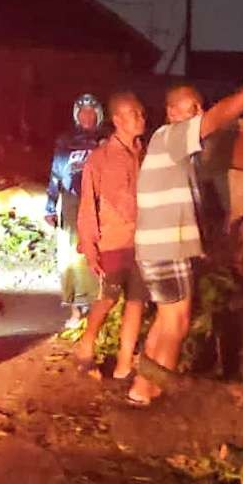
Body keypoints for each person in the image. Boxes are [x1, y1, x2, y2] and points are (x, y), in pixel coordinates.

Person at [127, 57, 243, 406]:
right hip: (164, 250)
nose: (199, 113)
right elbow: (219, 117)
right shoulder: (172, 137)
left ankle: (142, 389)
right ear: (173, 112)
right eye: (192, 109)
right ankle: (163, 399)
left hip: (158, 248)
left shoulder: (174, 148)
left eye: (199, 107)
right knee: (179, 321)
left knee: (165, 318)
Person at [73, 92, 147, 379]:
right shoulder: (100, 158)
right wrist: (90, 246)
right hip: (113, 241)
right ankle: (87, 343)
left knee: (137, 301)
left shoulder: (145, 154)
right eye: (134, 114)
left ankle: (124, 363)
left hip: (142, 240)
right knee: (109, 297)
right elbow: (87, 204)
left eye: (141, 114)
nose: (141, 119)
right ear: (117, 120)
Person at [45, 93, 105, 321]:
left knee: (96, 251)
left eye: (91, 112)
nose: (87, 117)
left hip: (99, 202)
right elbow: (55, 175)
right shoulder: (65, 141)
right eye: (82, 112)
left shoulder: (106, 139)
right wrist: (50, 207)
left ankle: (96, 303)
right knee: (70, 253)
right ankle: (74, 307)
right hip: (71, 202)